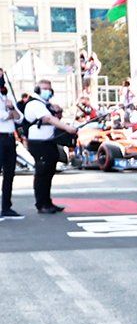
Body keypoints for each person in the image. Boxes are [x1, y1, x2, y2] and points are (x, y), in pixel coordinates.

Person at [21, 80, 73, 214]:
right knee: (42, 173)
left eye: (49, 89)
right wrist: (67, 128)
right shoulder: (35, 104)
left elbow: (53, 118)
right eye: (44, 88)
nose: (48, 91)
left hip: (48, 142)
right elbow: (48, 119)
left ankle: (47, 202)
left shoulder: (45, 105)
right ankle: (41, 203)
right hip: (39, 143)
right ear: (37, 89)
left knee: (49, 173)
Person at [0, 74, 22, 219]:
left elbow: (19, 117)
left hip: (9, 137)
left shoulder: (7, 97)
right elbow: (3, 116)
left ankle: (6, 207)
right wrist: (10, 113)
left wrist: (11, 108)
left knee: (9, 173)